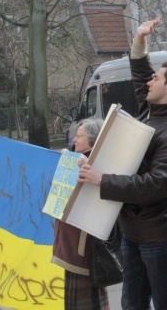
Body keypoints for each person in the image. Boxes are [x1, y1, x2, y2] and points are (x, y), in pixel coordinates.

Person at [77, 18, 167, 310]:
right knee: (132, 303)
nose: (148, 82)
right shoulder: (154, 110)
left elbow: (156, 186)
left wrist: (102, 180)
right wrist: (140, 39)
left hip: (160, 235)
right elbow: (140, 70)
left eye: (157, 79)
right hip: (134, 231)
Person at [51, 118, 111, 310]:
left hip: (84, 247)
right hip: (73, 245)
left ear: (93, 140)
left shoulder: (98, 166)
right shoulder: (78, 160)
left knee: (87, 300)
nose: (74, 140)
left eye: (79, 136)